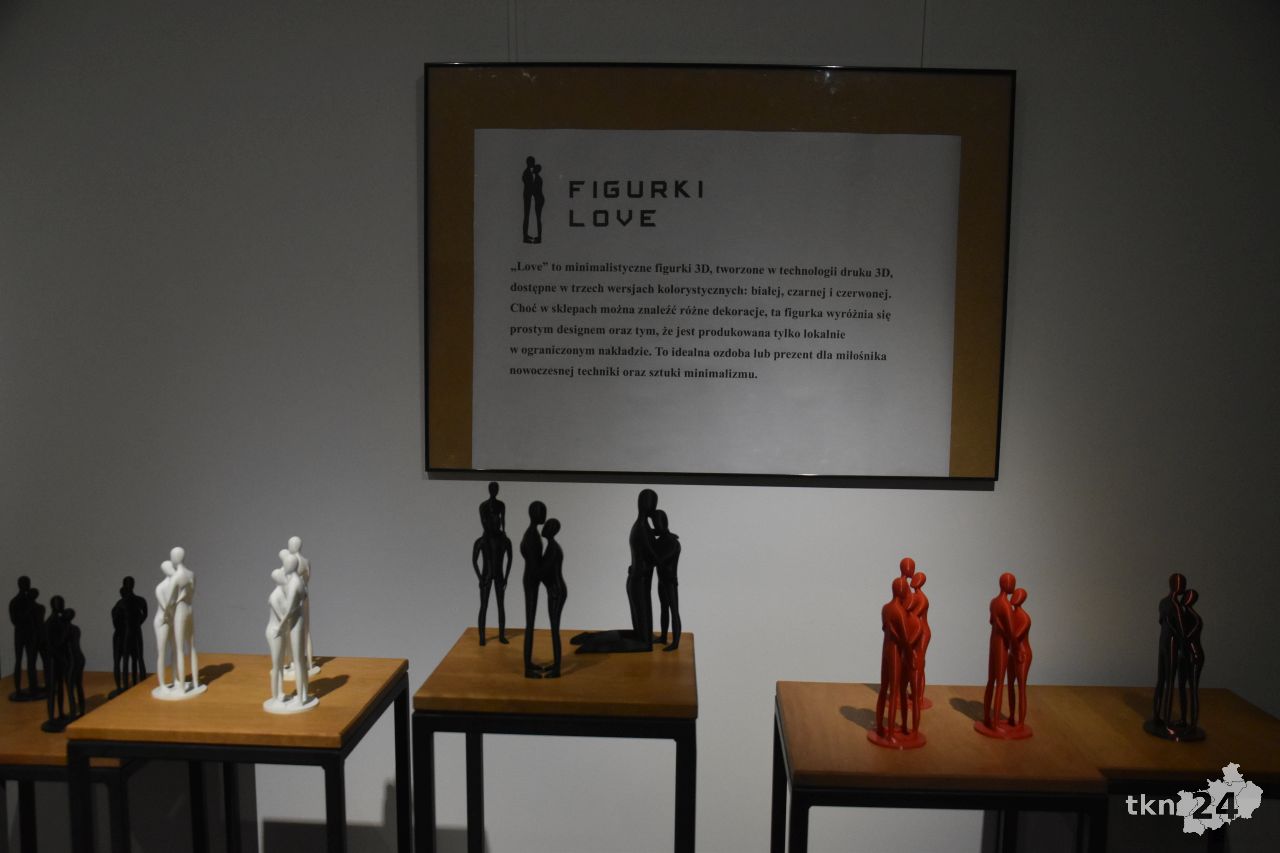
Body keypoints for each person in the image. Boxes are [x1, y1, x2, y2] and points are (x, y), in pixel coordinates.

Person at [979, 572, 1017, 732]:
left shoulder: (993, 602)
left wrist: (999, 625)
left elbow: (991, 621)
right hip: (1002, 644)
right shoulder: (1006, 605)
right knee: (1000, 683)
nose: (1013, 586)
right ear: (1007, 585)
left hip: (993, 641)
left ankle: (987, 717)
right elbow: (1011, 631)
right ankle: (995, 723)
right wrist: (1015, 646)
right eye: (1012, 583)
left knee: (991, 681)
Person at [473, 499, 513, 645]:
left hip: (497, 575)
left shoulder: (504, 540)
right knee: (484, 606)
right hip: (487, 576)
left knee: (500, 606)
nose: (496, 523)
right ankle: (482, 637)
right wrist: (480, 578)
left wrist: (506, 577)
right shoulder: (482, 540)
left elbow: (510, 559)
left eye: (498, 521)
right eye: (493, 521)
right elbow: (474, 560)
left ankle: (501, 635)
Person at [538, 518, 568, 678]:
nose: (544, 528)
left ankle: (557, 668)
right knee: (554, 629)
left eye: (548, 526)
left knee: (555, 630)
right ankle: (556, 664)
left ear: (552, 530)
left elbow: (543, 571)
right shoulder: (551, 546)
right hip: (555, 589)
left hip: (556, 591)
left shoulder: (553, 548)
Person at [521, 501, 547, 677]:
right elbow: (534, 563)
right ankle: (527, 668)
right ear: (535, 514)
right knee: (530, 624)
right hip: (531, 580)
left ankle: (528, 663)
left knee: (530, 622)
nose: (544, 515)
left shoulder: (531, 533)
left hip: (531, 578)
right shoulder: (532, 536)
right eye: (542, 512)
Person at [653, 510, 682, 651]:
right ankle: (663, 636)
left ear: (663, 523)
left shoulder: (673, 542)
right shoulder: (661, 541)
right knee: (664, 608)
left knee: (674, 611)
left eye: (656, 524)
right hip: (661, 580)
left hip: (670, 581)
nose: (655, 527)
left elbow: (660, 559)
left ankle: (675, 642)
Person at [1005, 588, 1032, 731]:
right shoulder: (1011, 614)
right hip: (1012, 653)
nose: (1014, 597)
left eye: (1018, 596)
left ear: (1022, 599)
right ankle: (1011, 716)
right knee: (1010, 685)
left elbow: (1015, 636)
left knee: (1021, 688)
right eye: (1014, 594)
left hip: (1023, 654)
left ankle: (1021, 722)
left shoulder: (1025, 618)